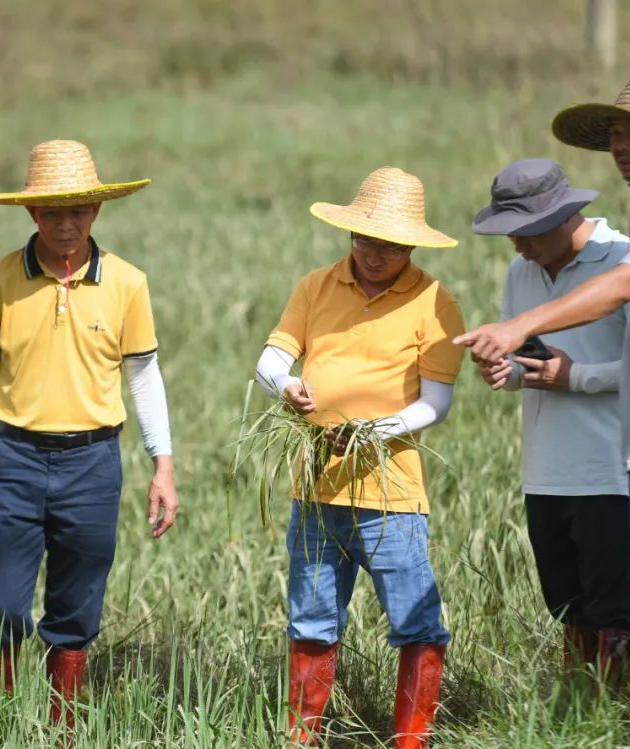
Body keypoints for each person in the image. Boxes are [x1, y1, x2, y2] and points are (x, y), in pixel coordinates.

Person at [455, 70, 630, 744]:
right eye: (615, 131)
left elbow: (623, 288)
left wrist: (526, 336)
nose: (621, 143)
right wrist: (521, 362)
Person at [0, 140, 179, 730]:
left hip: (93, 463)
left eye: (79, 211)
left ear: (97, 212)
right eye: (53, 212)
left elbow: (144, 377)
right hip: (15, 457)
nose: (67, 224)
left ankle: (63, 729)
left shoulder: (127, 284)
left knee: (76, 607)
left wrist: (162, 466)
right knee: (5, 606)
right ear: (31, 213)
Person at [256, 167, 465, 749]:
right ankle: (303, 735)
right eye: (368, 240)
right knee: (312, 618)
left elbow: (437, 402)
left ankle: (411, 739)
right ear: (350, 234)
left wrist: (383, 429)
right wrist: (287, 386)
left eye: (393, 245)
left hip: (391, 493)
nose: (377, 254)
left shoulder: (435, 303)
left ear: (413, 245)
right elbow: (271, 359)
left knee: (416, 622)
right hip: (317, 486)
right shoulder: (315, 288)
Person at [470, 158, 630, 692]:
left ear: (568, 215)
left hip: (609, 471)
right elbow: (533, 366)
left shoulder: (626, 262)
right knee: (568, 608)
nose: (518, 245)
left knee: (617, 610)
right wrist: (505, 372)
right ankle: (578, 709)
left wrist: (578, 377)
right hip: (545, 472)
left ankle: (619, 718)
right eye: (510, 234)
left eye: (527, 232)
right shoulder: (520, 272)